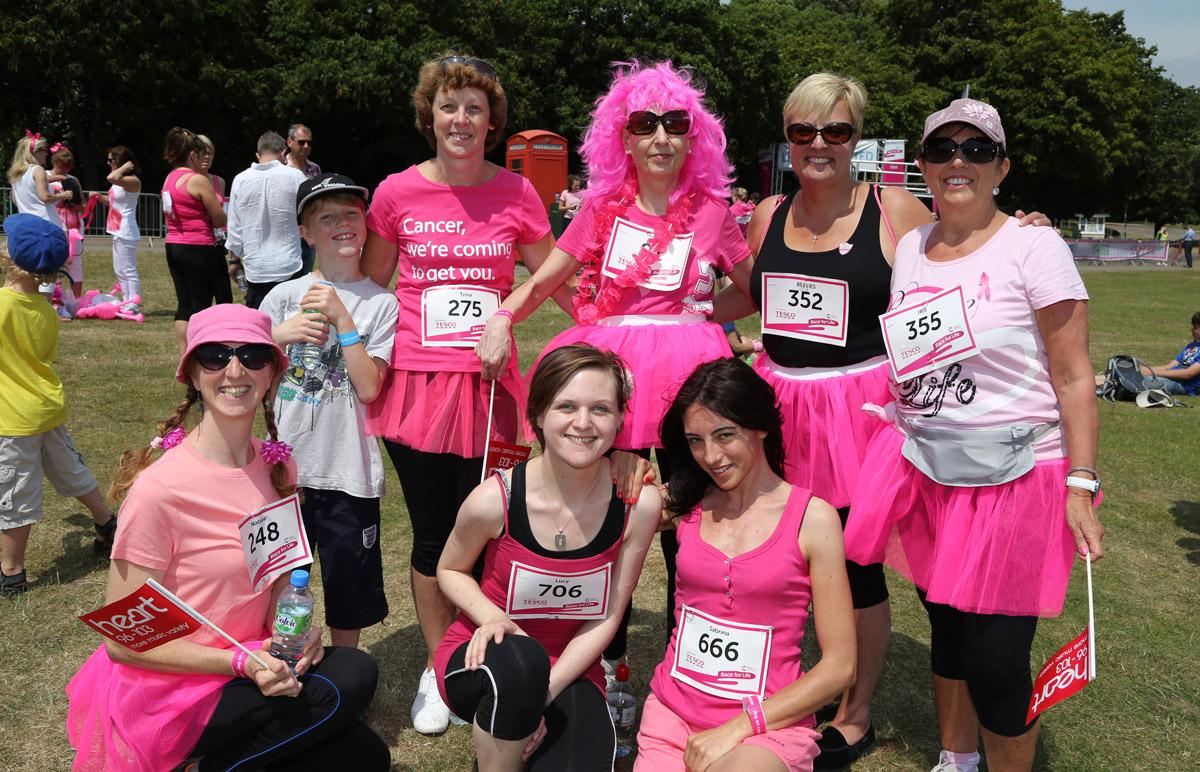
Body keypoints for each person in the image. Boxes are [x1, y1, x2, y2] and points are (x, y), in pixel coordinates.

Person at [716, 73, 1049, 769]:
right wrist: (663, 305)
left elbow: (964, 244)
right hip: (783, 409)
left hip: (867, 414)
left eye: (835, 131)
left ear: (856, 139)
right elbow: (749, 295)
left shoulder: (894, 206)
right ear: (787, 137)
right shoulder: (767, 213)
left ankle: (862, 713)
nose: (818, 144)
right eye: (803, 131)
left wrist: (1025, 230)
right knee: (805, 563)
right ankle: (803, 690)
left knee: (885, 568)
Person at [845, 98, 1103, 772]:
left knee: (995, 659)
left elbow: (1075, 376)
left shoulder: (1034, 245)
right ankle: (957, 759)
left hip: (1018, 477)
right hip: (930, 471)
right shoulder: (911, 248)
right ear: (923, 167)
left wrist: (1081, 481)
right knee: (949, 633)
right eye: (943, 149)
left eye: (977, 149)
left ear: (1002, 167)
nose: (958, 161)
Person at [482, 61, 755, 677]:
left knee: (686, 529)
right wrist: (502, 317)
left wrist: (704, 316)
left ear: (694, 136)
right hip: (615, 388)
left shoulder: (712, 213)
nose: (660, 137)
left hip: (691, 384)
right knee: (608, 528)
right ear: (623, 137)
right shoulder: (602, 209)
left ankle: (694, 666)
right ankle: (612, 666)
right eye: (644, 124)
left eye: (675, 124)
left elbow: (759, 289)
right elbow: (544, 278)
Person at [65, 303, 390, 771]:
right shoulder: (160, 491)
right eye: (215, 356)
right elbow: (124, 642)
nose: (235, 370)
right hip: (174, 684)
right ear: (194, 376)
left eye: (253, 356)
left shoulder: (278, 462)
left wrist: (295, 637)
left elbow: (279, 575)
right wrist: (239, 663)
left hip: (256, 662)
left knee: (367, 758)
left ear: (273, 373)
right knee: (355, 674)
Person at [359, 52, 559, 735]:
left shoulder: (517, 194)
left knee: (493, 529)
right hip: (415, 389)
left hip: (491, 389)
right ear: (429, 117)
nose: (461, 119)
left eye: (475, 108)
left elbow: (550, 273)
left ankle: (492, 649)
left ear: (493, 122)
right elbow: (374, 284)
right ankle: (436, 666)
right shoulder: (394, 194)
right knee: (432, 532)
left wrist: (510, 316)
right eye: (449, 106)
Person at [436, 344, 660, 770]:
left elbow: (609, 614)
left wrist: (545, 692)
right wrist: (493, 617)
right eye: (567, 406)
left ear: (619, 420)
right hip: (485, 652)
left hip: (571, 665)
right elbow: (449, 568)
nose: (583, 422)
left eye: (600, 409)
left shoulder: (638, 504)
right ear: (537, 416)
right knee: (521, 665)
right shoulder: (493, 499)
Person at [634, 358, 856, 772]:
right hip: (673, 714)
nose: (710, 456)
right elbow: (594, 515)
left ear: (761, 426)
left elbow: (840, 666)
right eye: (695, 441)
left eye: (725, 435)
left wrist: (740, 726)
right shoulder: (685, 503)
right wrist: (621, 465)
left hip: (767, 725)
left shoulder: (813, 519)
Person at [261, 173, 398, 649]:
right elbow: (248, 372)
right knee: (279, 578)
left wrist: (343, 320)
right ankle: (281, 658)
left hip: (348, 472)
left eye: (351, 214)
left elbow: (368, 387)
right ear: (306, 232)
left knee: (349, 585)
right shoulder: (282, 297)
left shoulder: (382, 304)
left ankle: (345, 667)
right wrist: (279, 335)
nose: (342, 224)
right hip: (285, 472)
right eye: (327, 217)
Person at [0, 214, 118, 597]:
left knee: (17, 495)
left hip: (13, 420)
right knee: (71, 471)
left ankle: (12, 571)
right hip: (47, 406)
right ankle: (106, 523)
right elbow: (45, 354)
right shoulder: (47, 311)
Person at [162, 127, 231, 353]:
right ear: (192, 154)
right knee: (201, 306)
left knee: (184, 305)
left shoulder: (170, 178)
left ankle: (185, 352)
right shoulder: (197, 180)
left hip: (174, 245)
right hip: (198, 246)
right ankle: (200, 354)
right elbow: (219, 218)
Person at [226, 131, 306, 309]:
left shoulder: (240, 180)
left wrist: (234, 259)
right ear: (284, 153)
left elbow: (235, 226)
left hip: (257, 267)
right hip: (289, 263)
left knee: (259, 324)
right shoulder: (296, 177)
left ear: (258, 154)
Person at [1095, 310, 1200, 396]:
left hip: (1183, 386)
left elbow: (1188, 374)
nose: (1191, 330)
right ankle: (1093, 381)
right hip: (1171, 378)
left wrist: (1151, 373)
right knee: (1133, 374)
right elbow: (1169, 366)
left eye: (1195, 328)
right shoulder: (1191, 346)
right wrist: (1143, 370)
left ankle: (1100, 386)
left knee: (1144, 381)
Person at [91, 146, 142, 311]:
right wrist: (100, 198)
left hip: (126, 229)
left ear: (121, 162)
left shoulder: (132, 181)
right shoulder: (119, 181)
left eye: (111, 160)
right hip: (116, 229)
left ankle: (134, 303)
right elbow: (115, 203)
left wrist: (123, 168)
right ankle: (126, 300)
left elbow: (111, 177)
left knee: (128, 269)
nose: (108, 163)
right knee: (119, 269)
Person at [46, 143, 85, 315]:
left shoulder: (72, 179)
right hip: (55, 225)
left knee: (75, 264)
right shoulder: (45, 176)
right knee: (58, 264)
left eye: (68, 165)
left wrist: (75, 202)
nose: (65, 168)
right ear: (54, 162)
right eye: (63, 164)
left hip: (74, 227)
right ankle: (56, 301)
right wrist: (60, 197)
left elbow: (82, 204)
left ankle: (76, 303)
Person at [286, 123, 322, 274]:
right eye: (301, 142)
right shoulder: (280, 167)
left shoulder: (315, 169)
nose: (306, 146)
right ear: (289, 142)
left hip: (308, 236)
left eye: (309, 142)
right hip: (287, 235)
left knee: (305, 279)